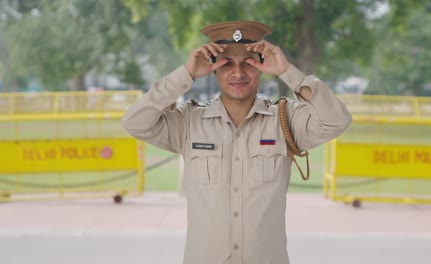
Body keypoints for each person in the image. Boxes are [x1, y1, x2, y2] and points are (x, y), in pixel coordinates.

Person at [121, 20, 352, 264]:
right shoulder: (189, 122)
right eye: (228, 64)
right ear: (214, 69)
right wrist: (185, 75)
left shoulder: (284, 121)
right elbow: (134, 122)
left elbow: (337, 120)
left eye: (248, 63)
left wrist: (287, 72)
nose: (239, 73)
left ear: (262, 67)